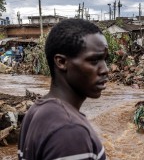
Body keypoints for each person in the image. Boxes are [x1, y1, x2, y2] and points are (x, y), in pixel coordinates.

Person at [18, 19, 108, 160]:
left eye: (105, 59)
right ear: (61, 62)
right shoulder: (69, 130)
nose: (105, 70)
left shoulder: (36, 111)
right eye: (94, 61)